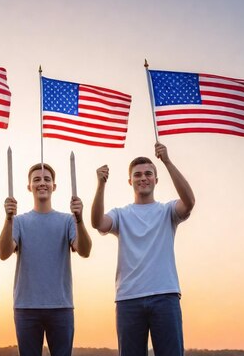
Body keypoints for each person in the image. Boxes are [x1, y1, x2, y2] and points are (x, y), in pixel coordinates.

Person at [90, 143, 195, 356]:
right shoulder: (121, 214)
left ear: (156, 179)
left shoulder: (167, 211)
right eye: (137, 175)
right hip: (129, 298)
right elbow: (97, 222)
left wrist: (166, 161)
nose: (143, 178)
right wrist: (100, 185)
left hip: (165, 296)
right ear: (130, 181)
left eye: (148, 173)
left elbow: (189, 202)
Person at [0, 163, 92, 356]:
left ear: (54, 186)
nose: (42, 183)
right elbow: (4, 253)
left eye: (47, 179)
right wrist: (8, 219)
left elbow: (84, 250)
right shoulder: (19, 221)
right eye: (37, 179)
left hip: (61, 307)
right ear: (29, 186)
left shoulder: (68, 220)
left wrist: (80, 218)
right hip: (26, 307)